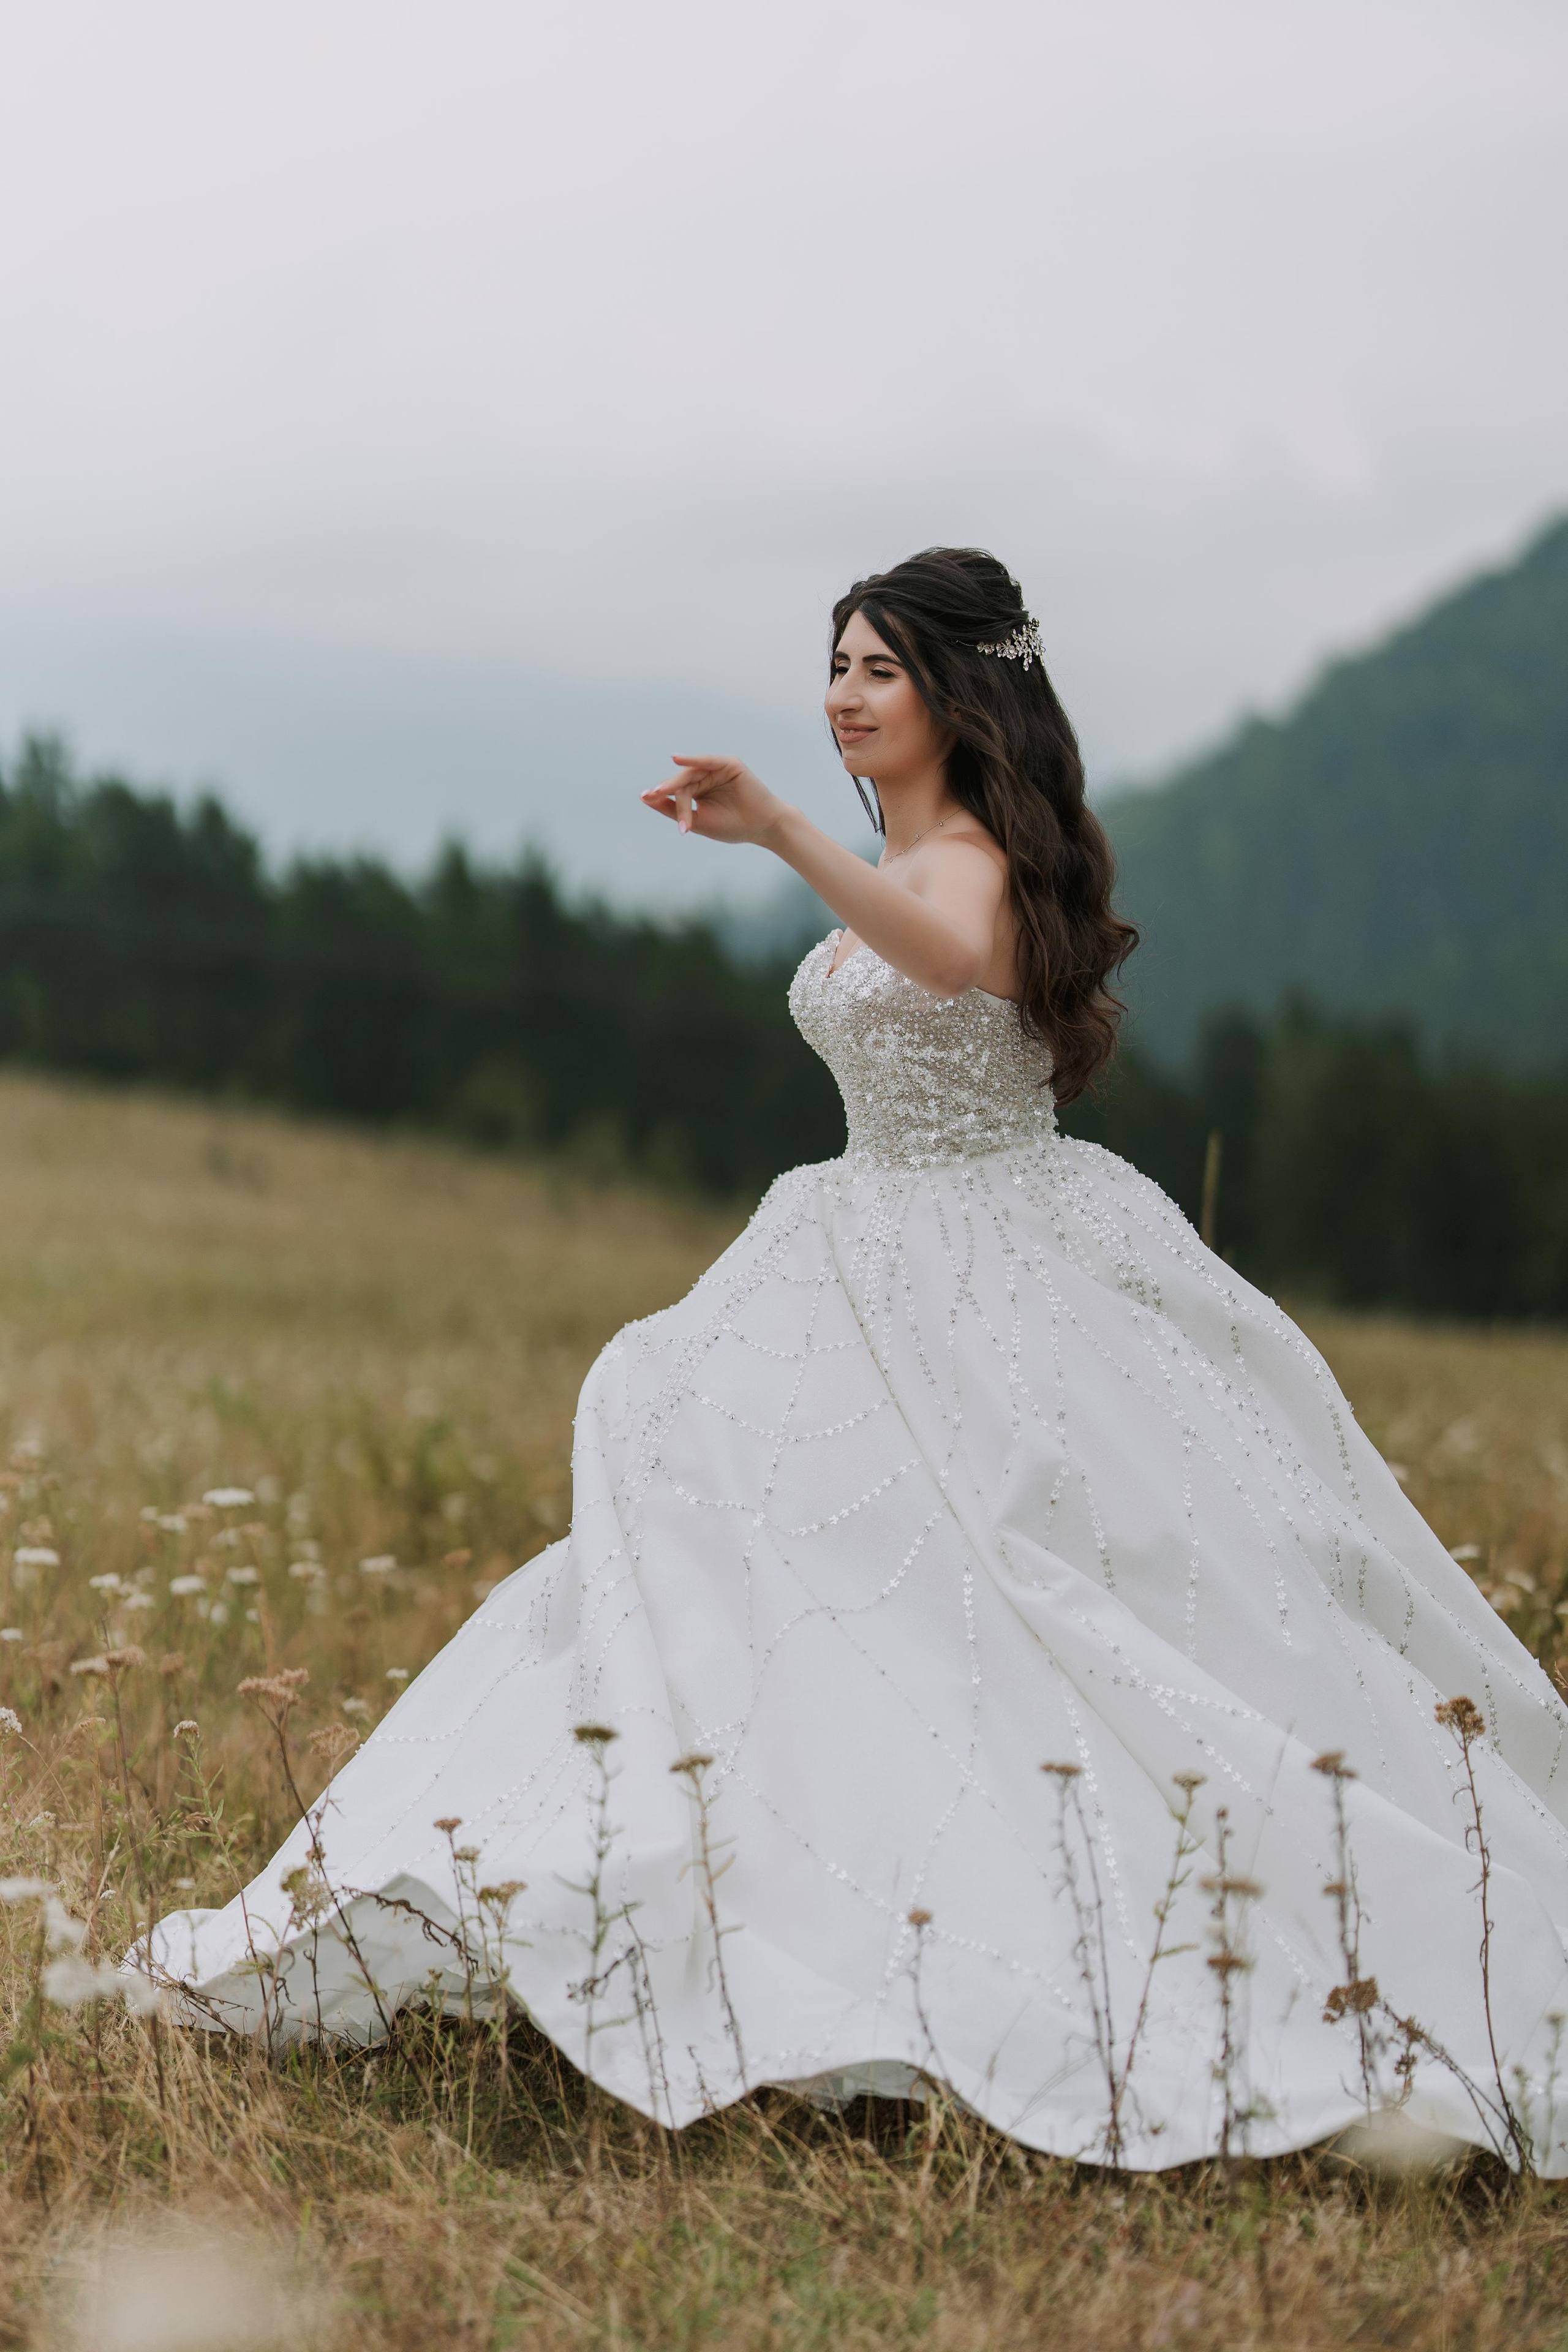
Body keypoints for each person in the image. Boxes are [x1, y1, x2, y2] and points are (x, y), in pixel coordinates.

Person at [143, 548, 1568, 2171]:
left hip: (1000, 1265)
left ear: (958, 693)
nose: (845, 695)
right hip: (854, 1243)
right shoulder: (910, 858)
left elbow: (946, 961)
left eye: (880, 668)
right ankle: (765, 1906)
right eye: (836, 665)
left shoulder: (976, 863)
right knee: (771, 1575)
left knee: (1042, 1596)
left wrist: (780, 831)